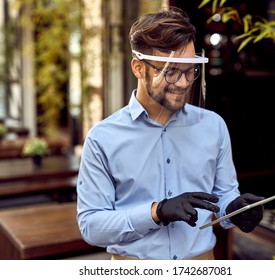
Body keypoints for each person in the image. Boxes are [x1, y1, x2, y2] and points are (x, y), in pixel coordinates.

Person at [76, 6, 264, 260]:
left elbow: (223, 196)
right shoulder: (103, 138)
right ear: (138, 68)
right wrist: (156, 212)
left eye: (190, 70)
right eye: (170, 71)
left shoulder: (213, 126)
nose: (184, 82)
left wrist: (235, 208)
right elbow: (91, 226)